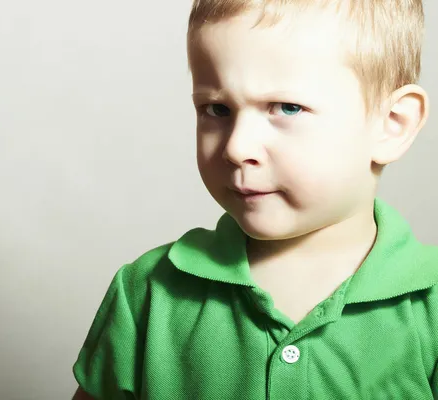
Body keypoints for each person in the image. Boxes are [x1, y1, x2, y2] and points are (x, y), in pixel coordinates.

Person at [72, 0, 437, 398]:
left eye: (287, 107)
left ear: (392, 125)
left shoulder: (430, 306)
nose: (236, 147)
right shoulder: (147, 292)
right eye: (217, 109)